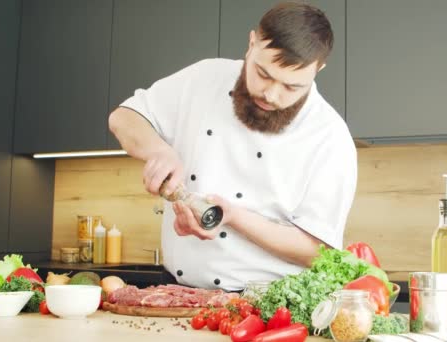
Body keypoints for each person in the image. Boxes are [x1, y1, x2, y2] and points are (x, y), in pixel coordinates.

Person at [108, 2, 357, 291]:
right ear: (252, 43)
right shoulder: (204, 78)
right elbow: (123, 117)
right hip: (178, 292)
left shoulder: (329, 135)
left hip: (267, 307)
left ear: (318, 69)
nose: (272, 94)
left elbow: (318, 251)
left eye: (291, 87)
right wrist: (158, 150)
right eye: (263, 74)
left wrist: (234, 217)